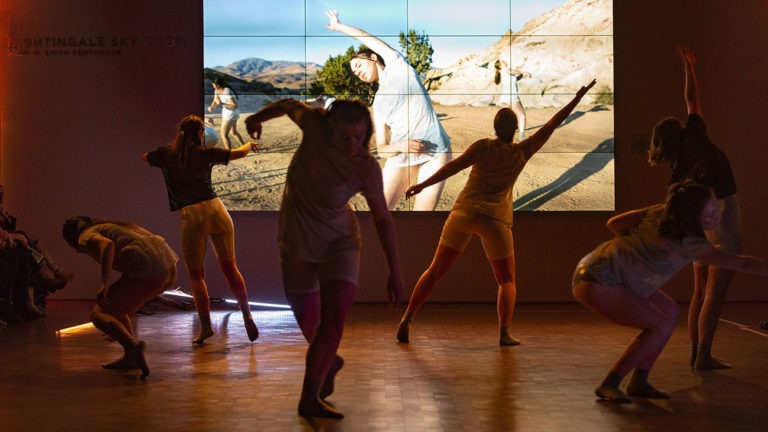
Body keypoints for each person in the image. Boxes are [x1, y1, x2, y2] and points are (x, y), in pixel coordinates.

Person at [397, 80, 597, 345]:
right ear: (515, 129)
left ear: (495, 127)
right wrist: (577, 97)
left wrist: (422, 185)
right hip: (495, 220)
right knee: (506, 281)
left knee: (434, 271)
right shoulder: (522, 151)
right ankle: (504, 333)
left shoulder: (483, 147)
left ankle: (407, 318)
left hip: (464, 213)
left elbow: (453, 167)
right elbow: (551, 125)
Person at [244, 98, 404, 420]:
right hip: (297, 242)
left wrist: (395, 270)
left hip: (339, 244)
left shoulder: (365, 167)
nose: (352, 144)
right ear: (330, 129)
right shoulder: (314, 126)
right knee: (311, 327)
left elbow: (382, 219)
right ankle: (328, 362)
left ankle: (309, 398)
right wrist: (255, 118)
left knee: (333, 322)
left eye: (359, 136)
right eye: (345, 137)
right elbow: (289, 104)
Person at [572, 181, 768, 403]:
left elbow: (614, 224)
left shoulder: (660, 212)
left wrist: (635, 252)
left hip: (596, 268)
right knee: (659, 326)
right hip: (599, 281)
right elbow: (743, 264)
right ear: (692, 218)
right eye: (711, 214)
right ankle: (610, 383)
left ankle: (640, 381)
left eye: (717, 209)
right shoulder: (691, 244)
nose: (718, 216)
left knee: (670, 311)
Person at [648, 45, 741, 370]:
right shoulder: (697, 136)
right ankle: (703, 354)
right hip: (723, 217)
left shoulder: (677, 167)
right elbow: (692, 99)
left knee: (700, 289)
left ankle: (695, 352)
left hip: (698, 225)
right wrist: (689, 67)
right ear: (682, 130)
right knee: (716, 291)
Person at [142, 114, 259, 344]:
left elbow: (145, 157)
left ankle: (206, 327)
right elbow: (238, 153)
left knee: (196, 275)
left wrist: (164, 157)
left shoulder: (167, 154)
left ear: (181, 133)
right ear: (201, 133)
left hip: (193, 217)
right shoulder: (205, 153)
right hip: (217, 211)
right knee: (231, 269)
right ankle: (247, 314)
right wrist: (247, 145)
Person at [325, 10, 452, 211]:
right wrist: (401, 145)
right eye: (355, 72)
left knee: (421, 217)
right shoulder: (378, 103)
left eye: (359, 65)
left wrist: (338, 26)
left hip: (435, 151)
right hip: (402, 156)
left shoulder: (399, 67)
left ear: (374, 57)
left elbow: (364, 36)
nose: (357, 72)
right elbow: (382, 148)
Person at [62, 216, 178, 379]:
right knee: (118, 311)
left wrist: (104, 283)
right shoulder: (109, 227)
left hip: (146, 268)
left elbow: (107, 245)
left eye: (71, 245)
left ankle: (132, 346)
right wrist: (116, 328)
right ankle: (131, 357)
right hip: (165, 270)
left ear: (72, 238)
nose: (77, 250)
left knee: (98, 314)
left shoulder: (85, 235)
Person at [494, 59, 532, 140]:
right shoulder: (506, 69)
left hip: (504, 99)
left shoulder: (501, 73)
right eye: (502, 61)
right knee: (522, 116)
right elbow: (512, 72)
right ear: (500, 65)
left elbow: (514, 79)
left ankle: (496, 131)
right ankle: (522, 136)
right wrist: (523, 72)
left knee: (503, 117)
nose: (504, 61)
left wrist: (521, 75)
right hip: (512, 98)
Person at [208, 77, 246, 149]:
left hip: (230, 112)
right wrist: (211, 107)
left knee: (223, 135)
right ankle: (245, 148)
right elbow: (215, 100)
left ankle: (228, 153)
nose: (213, 86)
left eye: (213, 85)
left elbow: (235, 105)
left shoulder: (227, 92)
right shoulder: (217, 90)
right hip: (231, 112)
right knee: (233, 132)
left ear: (218, 85)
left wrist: (222, 103)